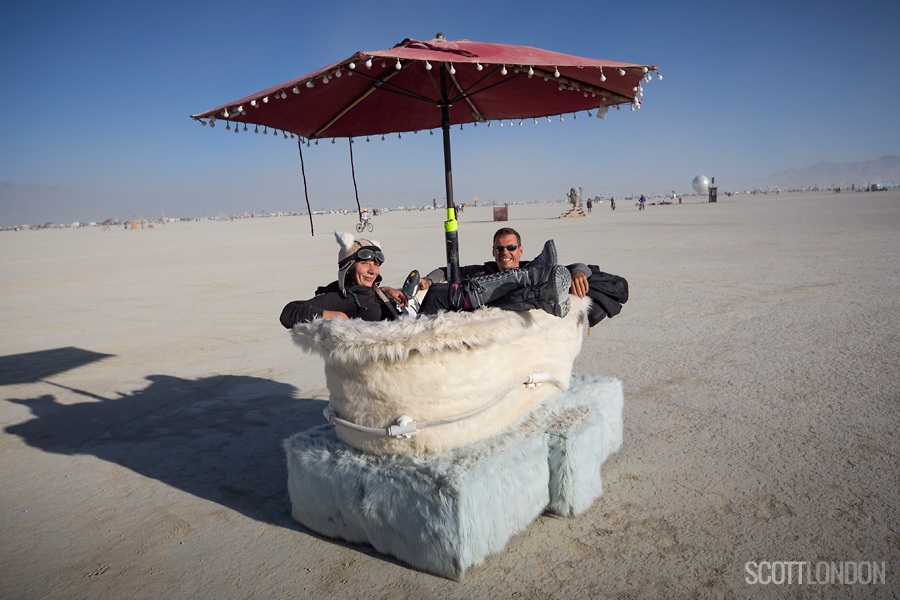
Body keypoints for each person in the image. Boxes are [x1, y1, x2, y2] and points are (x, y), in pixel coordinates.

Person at [280, 231, 571, 327]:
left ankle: (537, 296)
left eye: (376, 264)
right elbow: (290, 311)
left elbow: (376, 299)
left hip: (410, 321)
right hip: (407, 338)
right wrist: (336, 317)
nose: (372, 269)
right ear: (347, 266)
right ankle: (528, 277)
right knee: (442, 292)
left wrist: (386, 293)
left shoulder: (376, 290)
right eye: (365, 263)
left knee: (473, 303)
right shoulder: (340, 296)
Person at [420, 227, 590, 300]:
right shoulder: (482, 272)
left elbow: (580, 268)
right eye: (499, 249)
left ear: (520, 250)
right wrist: (428, 280)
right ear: (493, 252)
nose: (505, 253)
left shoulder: (533, 270)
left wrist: (576, 272)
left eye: (511, 247)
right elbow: (444, 271)